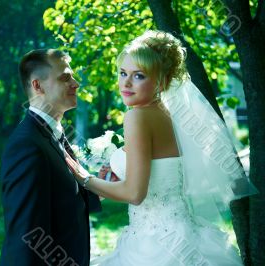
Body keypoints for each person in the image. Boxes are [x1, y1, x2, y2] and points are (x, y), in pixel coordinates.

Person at [65, 31, 257, 265]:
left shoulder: (137, 118)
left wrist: (85, 178)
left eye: (139, 76)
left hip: (154, 243)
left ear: (162, 81)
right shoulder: (170, 115)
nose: (125, 83)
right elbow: (156, 170)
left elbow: (135, 194)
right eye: (123, 73)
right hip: (183, 233)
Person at [0, 49, 101, 266]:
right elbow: (27, 235)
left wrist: (100, 186)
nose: (75, 84)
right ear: (38, 86)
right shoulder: (27, 145)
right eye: (65, 77)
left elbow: (60, 200)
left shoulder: (52, 132)